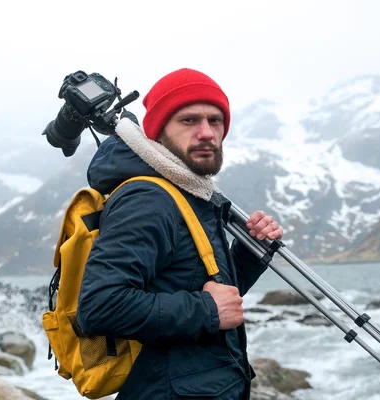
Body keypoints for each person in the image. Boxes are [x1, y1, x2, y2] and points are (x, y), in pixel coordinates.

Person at [77, 68, 284, 400]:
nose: (206, 133)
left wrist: (249, 253)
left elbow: (201, 288)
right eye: (189, 121)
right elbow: (100, 307)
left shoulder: (191, 194)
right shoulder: (149, 200)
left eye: (215, 121)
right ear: (159, 132)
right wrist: (207, 310)